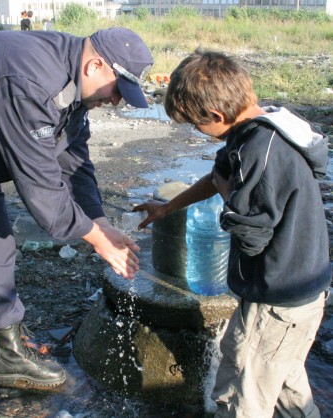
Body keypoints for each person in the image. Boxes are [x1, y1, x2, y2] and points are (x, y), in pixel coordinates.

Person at [0, 27, 153, 417]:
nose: (115, 102)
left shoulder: (75, 89)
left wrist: (98, 220)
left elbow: (74, 162)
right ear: (95, 65)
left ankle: (9, 355)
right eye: (117, 91)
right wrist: (96, 240)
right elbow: (42, 189)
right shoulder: (27, 79)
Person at [135, 50, 331, 417]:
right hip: (295, 290)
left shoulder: (257, 152)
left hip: (279, 298)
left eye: (197, 125)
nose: (198, 132)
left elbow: (251, 236)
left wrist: (229, 198)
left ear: (216, 116)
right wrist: (167, 207)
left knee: (245, 396)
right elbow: (217, 176)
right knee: (285, 384)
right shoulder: (266, 125)